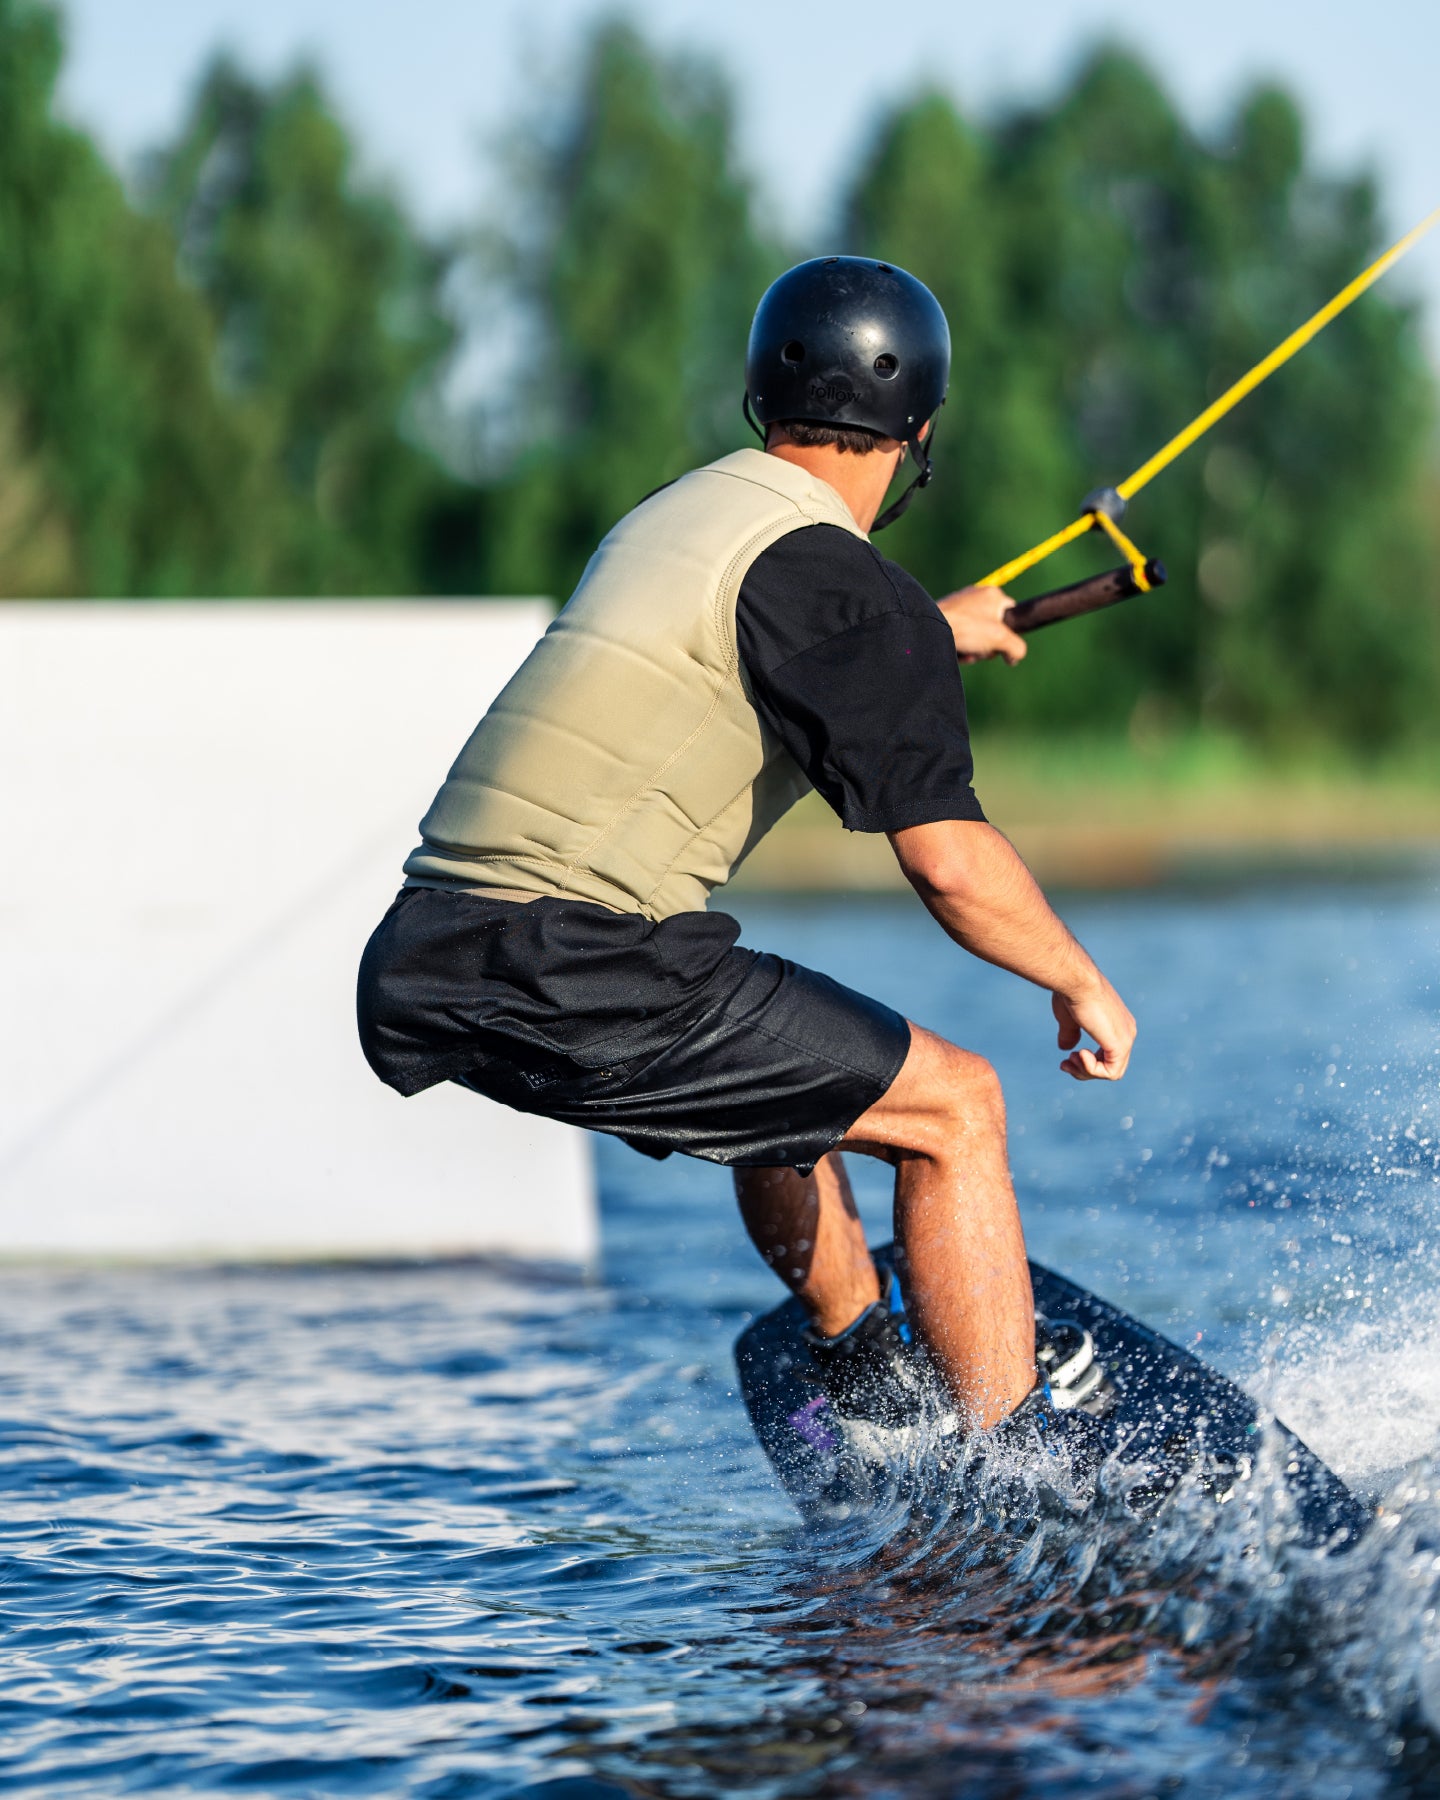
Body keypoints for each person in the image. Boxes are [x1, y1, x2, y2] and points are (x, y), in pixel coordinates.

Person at [357, 256, 1135, 1446]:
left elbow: (769, 631)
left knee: (789, 1052)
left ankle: (864, 1359)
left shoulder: (681, 516)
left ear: (764, 404)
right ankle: (1013, 1471)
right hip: (572, 957)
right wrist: (1080, 979)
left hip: (431, 951)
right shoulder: (841, 587)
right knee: (955, 1109)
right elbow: (951, 864)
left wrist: (928, 624)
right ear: (918, 430)